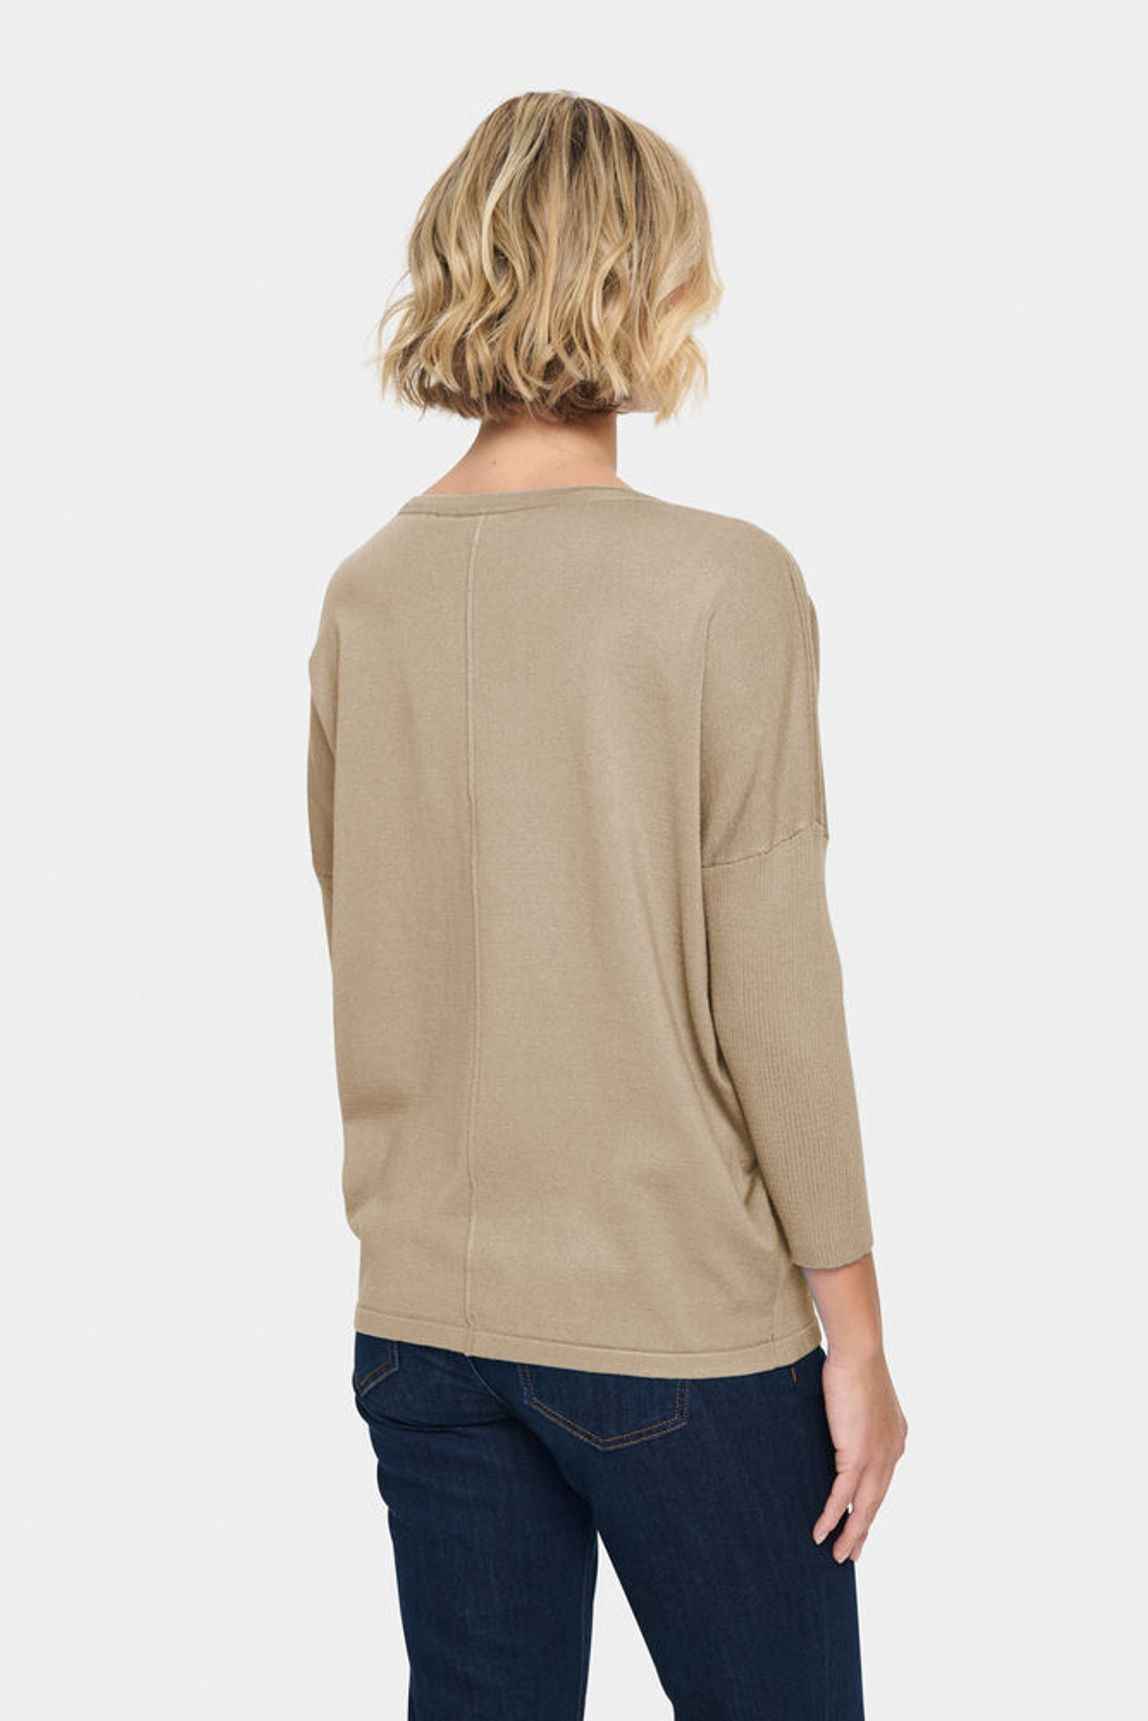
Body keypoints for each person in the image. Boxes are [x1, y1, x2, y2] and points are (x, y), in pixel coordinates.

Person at [308, 90, 906, 1720]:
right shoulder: (725, 583)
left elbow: (367, 931)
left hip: (425, 1321)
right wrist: (854, 1331)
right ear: (644, 283)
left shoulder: (367, 594)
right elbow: (775, 978)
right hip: (672, 1317)